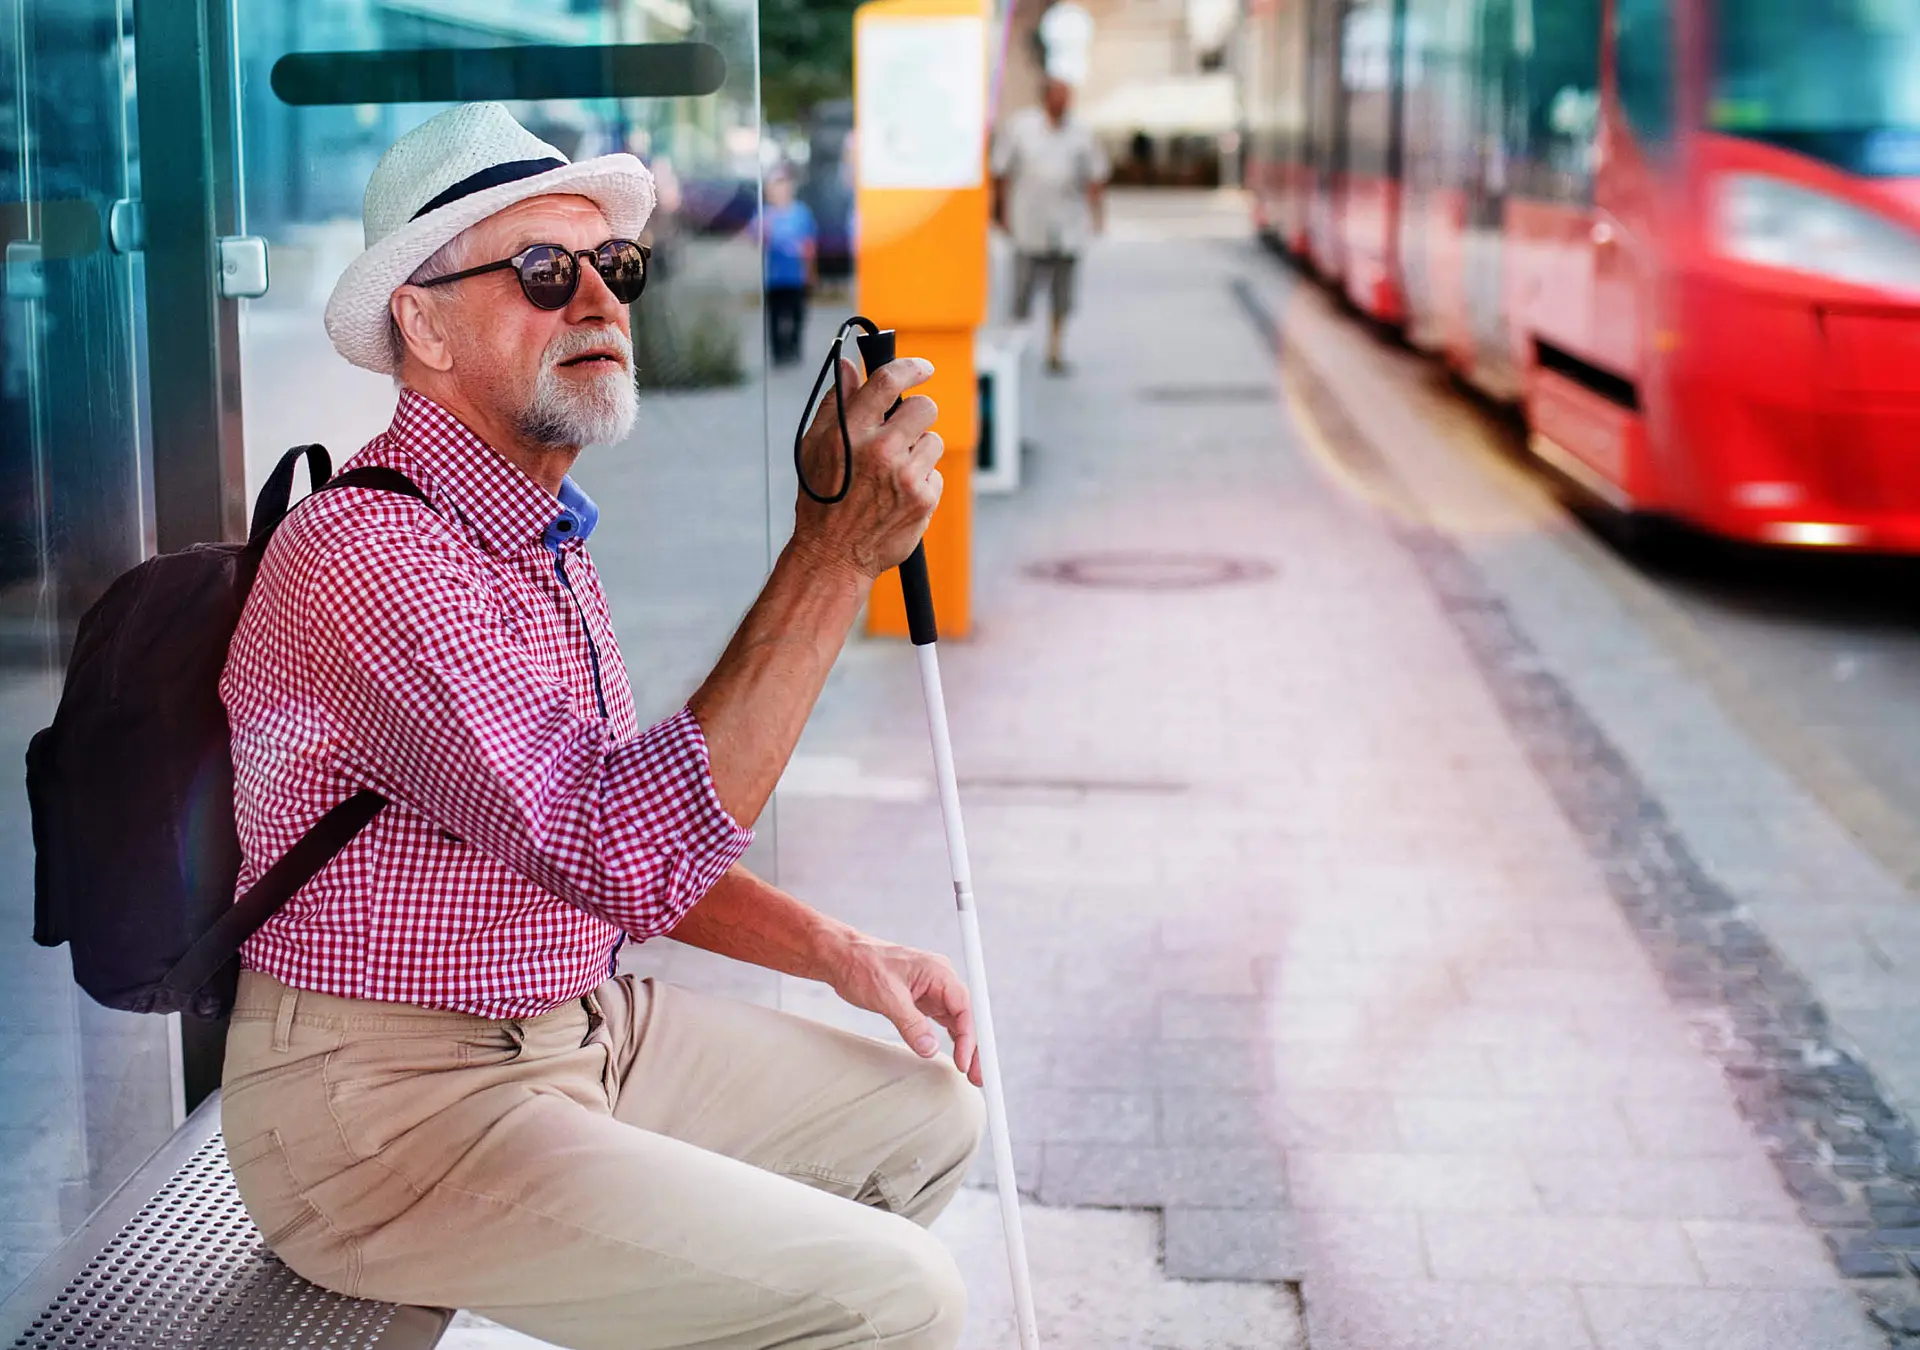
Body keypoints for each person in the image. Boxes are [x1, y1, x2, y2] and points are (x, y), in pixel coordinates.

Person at [218, 101, 981, 1350]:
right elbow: (619, 843)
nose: (599, 301)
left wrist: (842, 952)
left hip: (579, 1030)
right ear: (421, 323)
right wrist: (832, 556)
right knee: (897, 1299)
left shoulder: (539, 541)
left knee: (932, 1118)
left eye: (612, 267)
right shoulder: (374, 560)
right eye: (540, 272)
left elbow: (622, 847)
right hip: (388, 1108)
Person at [991, 77, 1109, 374]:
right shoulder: (1021, 128)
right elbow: (1001, 172)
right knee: (1023, 289)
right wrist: (1000, 212)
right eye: (1059, 96)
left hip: (1068, 224)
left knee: (1063, 292)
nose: (1064, 102)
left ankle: (1055, 349)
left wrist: (1098, 216)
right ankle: (1016, 348)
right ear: (1046, 98)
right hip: (1029, 222)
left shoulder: (1081, 133)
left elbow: (1095, 176)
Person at [758, 168, 817, 365]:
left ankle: (794, 348)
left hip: (796, 275)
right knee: (775, 317)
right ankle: (778, 353)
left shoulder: (801, 213)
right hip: (775, 277)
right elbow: (755, 238)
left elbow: (809, 245)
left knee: (797, 315)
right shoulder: (767, 214)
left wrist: (810, 271)